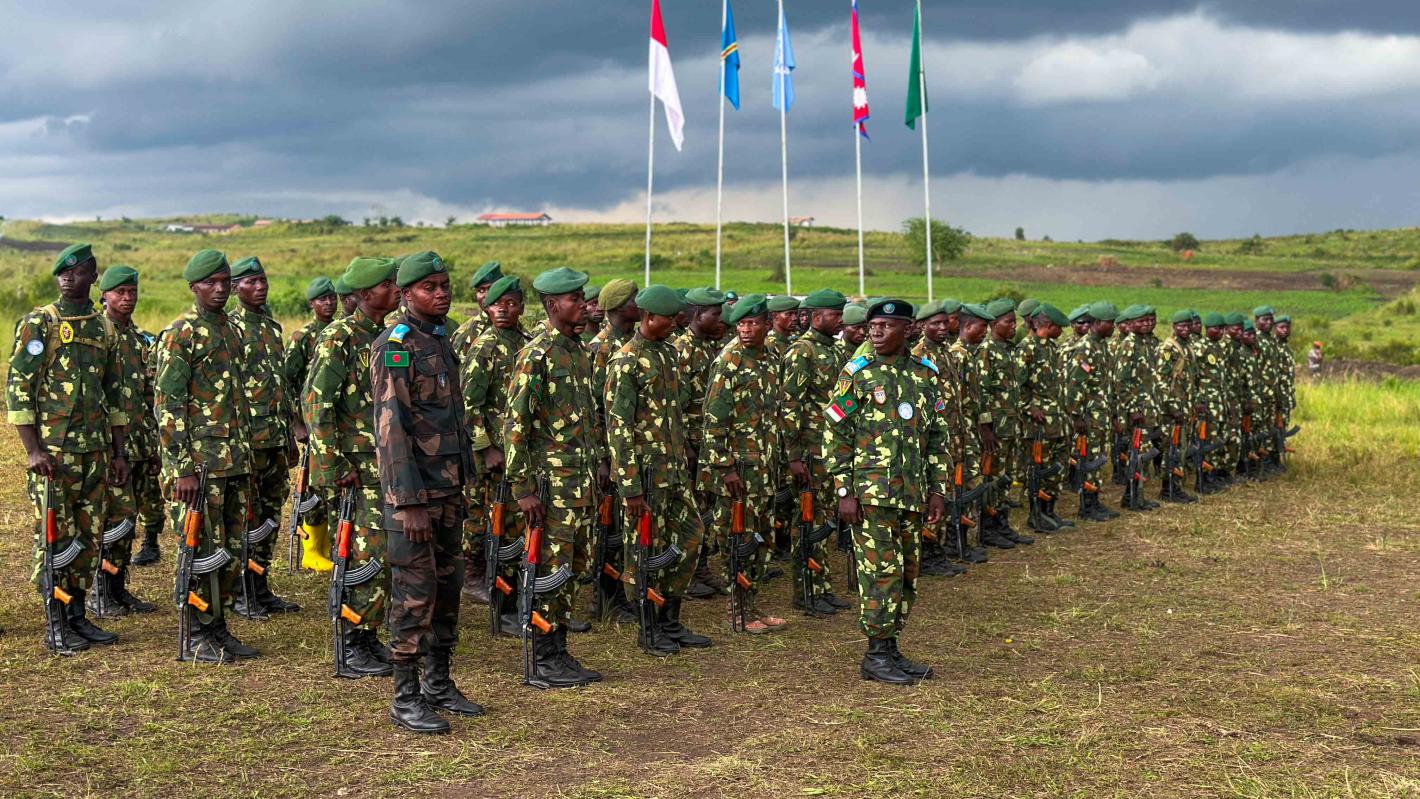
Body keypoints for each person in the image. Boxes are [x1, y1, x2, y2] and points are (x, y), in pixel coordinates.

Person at [371, 251, 482, 733]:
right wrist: (408, 501)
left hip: (449, 490)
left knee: (448, 588)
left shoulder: (440, 340)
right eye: (429, 286)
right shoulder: (395, 346)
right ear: (405, 294)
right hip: (414, 499)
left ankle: (439, 683)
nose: (441, 292)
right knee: (414, 596)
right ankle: (405, 696)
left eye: (444, 284)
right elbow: (391, 429)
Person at [7, 243, 129, 654]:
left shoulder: (102, 327)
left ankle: (77, 615)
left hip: (94, 452)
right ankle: (55, 623)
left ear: (93, 277)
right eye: (62, 271)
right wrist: (33, 450)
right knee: (56, 536)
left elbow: (114, 393)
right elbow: (19, 388)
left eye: (77, 272)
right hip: (53, 456)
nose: (67, 277)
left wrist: (119, 453)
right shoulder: (40, 323)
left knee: (89, 537)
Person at [825, 298, 949, 685]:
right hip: (871, 495)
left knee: (907, 572)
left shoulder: (925, 374)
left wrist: (937, 490)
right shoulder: (858, 373)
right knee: (881, 572)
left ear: (909, 330)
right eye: (872, 325)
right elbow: (835, 432)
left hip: (911, 494)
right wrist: (844, 491)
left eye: (885, 326)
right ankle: (875, 654)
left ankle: (891, 646)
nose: (875, 332)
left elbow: (937, 437)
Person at [503, 267, 606, 687]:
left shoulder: (577, 350)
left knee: (572, 569)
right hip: (551, 486)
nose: (583, 305)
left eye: (583, 297)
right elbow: (515, 423)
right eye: (575, 299)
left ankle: (559, 649)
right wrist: (523, 489)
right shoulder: (538, 353)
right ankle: (544, 657)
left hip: (580, 483)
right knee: (550, 569)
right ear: (552, 305)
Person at [155, 249, 256, 663]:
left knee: (230, 547)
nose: (219, 290)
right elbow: (168, 403)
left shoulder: (231, 330)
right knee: (198, 548)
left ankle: (218, 624)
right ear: (193, 287)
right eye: (209, 283)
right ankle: (197, 632)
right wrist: (181, 469)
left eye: (224, 282)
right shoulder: (181, 333)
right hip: (199, 466)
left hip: (234, 459)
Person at [304, 256, 402, 678]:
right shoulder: (339, 338)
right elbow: (317, 405)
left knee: (383, 553)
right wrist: (332, 464)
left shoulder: (393, 334)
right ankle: (351, 635)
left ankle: (368, 633)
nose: (396, 290)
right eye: (388, 284)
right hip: (354, 468)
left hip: (389, 465)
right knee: (363, 553)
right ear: (365, 294)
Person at [606, 285, 713, 656]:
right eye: (669, 318)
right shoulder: (626, 361)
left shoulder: (668, 353)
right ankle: (648, 627)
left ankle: (670, 618)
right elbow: (618, 427)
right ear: (648, 317)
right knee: (643, 552)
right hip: (645, 477)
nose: (675, 324)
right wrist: (630, 486)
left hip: (674, 471)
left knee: (689, 538)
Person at [228, 256, 302, 618]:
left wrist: (288, 433)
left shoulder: (272, 327)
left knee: (270, 516)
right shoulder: (231, 328)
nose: (260, 287)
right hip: (248, 440)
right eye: (250, 282)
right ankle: (241, 592)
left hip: (274, 435)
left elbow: (281, 385)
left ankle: (260, 584)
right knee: (248, 516)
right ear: (234, 287)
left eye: (263, 280)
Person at [460, 275, 532, 626]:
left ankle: (521, 599)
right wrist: (485, 448)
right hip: (493, 459)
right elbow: (468, 405)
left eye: (510, 304)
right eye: (495, 304)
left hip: (519, 454)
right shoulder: (485, 346)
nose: (502, 310)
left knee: (520, 530)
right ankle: (502, 608)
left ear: (521, 306)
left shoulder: (526, 342)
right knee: (497, 528)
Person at [89, 265, 159, 616]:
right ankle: (99, 593)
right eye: (120, 292)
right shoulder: (97, 334)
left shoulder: (138, 338)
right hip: (109, 445)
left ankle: (118, 589)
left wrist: (155, 445)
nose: (127, 298)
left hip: (140, 443)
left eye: (132, 291)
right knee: (110, 522)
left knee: (128, 521)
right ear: (104, 295)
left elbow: (148, 394)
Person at [781, 289, 856, 606]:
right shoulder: (803, 351)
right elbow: (789, 406)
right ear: (816, 318)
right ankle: (806, 591)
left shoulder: (835, 351)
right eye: (835, 315)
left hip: (833, 449)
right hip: (811, 452)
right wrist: (794, 456)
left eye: (841, 314)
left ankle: (822, 585)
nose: (841, 321)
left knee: (825, 518)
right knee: (808, 521)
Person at [673, 287, 730, 600]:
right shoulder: (682, 349)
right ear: (697, 315)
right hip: (692, 444)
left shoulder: (711, 347)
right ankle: (689, 571)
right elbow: (676, 406)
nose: (720, 319)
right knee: (691, 512)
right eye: (715, 313)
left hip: (709, 443)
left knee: (706, 509)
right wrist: (685, 446)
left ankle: (702, 564)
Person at [910, 301, 967, 576]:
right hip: (929, 437)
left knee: (945, 489)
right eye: (936, 324)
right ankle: (927, 553)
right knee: (932, 491)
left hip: (950, 432)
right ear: (922, 326)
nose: (943, 328)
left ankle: (937, 548)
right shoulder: (919, 355)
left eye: (945, 323)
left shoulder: (945, 352)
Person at [978, 299, 1034, 544]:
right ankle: (988, 528)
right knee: (992, 478)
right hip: (996, 429)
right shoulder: (986, 350)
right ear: (993, 324)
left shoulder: (1009, 349)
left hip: (1012, 426)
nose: (1014, 326)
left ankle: (1002, 523)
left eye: (1015, 321)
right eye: (1008, 322)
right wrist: (986, 428)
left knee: (1006, 477)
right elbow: (982, 391)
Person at [1016, 303, 1075, 531]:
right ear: (1048, 326)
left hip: (1057, 419)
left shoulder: (1051, 347)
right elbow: (1017, 384)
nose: (1061, 332)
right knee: (1038, 468)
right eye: (1059, 328)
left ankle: (1050, 510)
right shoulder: (1027, 348)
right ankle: (1036, 515)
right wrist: (1029, 407)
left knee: (1056, 468)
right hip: (1038, 422)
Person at [1061, 302, 1121, 521]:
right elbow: (1075, 385)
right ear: (1096, 323)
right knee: (1088, 460)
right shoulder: (1085, 348)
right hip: (1088, 416)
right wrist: (1076, 416)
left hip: (1100, 414)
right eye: (1110, 323)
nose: (1113, 327)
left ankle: (1094, 500)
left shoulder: (1102, 346)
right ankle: (1086, 505)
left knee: (1097, 461)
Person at [450, 261, 505, 355]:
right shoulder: (465, 334)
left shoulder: (516, 326)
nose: (487, 295)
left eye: (492, 288)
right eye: (481, 290)